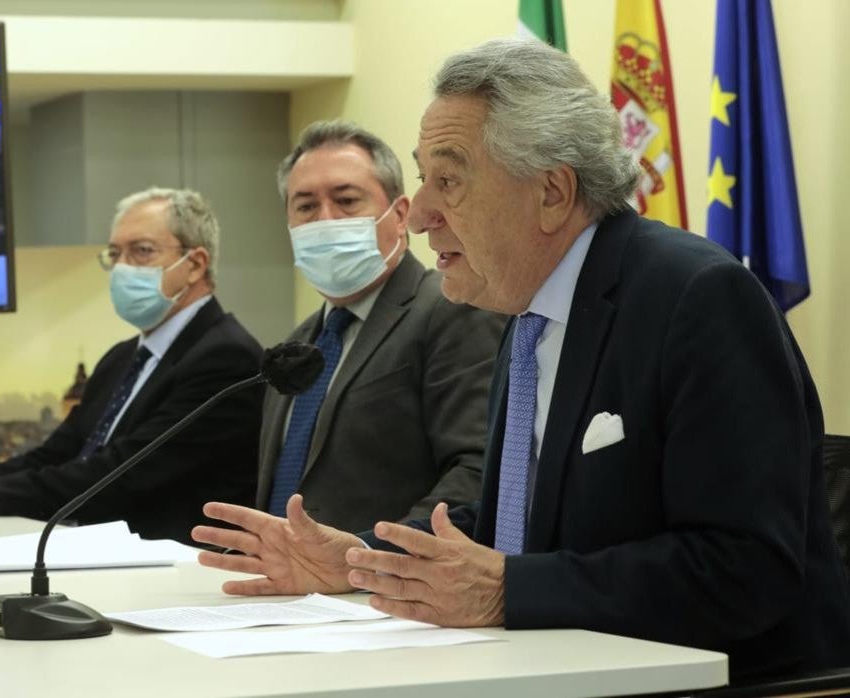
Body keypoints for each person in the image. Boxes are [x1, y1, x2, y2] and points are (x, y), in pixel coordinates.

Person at [193, 38, 850, 682]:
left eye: (447, 180)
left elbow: (746, 568)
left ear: (553, 192)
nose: (419, 215)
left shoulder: (696, 298)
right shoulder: (524, 314)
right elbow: (516, 517)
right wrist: (365, 560)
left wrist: (511, 590)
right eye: (425, 179)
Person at [0, 187, 263, 543]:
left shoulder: (225, 358)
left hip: (174, 575)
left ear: (195, 265)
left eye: (141, 251)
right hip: (92, 554)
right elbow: (54, 456)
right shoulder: (122, 357)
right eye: (114, 254)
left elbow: (117, 475)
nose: (122, 268)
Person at [258, 120, 504, 533]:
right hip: (287, 590)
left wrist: (372, 556)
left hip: (381, 588)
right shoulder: (298, 345)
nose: (326, 220)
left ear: (401, 215)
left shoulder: (449, 311)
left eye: (347, 200)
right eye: (305, 207)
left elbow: (477, 469)